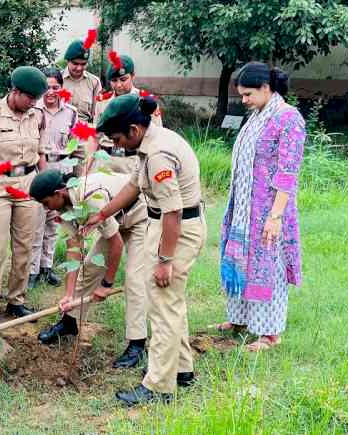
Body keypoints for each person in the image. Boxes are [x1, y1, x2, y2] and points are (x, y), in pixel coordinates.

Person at [83, 93, 206, 405]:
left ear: (133, 131)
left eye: (116, 138)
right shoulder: (148, 144)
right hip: (163, 224)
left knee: (162, 308)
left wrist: (165, 259)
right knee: (171, 302)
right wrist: (101, 213)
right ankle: (181, 369)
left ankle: (158, 387)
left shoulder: (158, 155)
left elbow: (173, 211)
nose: (116, 145)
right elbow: (133, 187)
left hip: (175, 230)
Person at [217, 62, 305, 352]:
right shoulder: (256, 115)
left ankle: (269, 332)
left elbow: (287, 173)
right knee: (241, 260)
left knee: (269, 266)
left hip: (268, 209)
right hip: (243, 207)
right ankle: (240, 319)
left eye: (247, 94)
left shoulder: (288, 118)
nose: (243, 100)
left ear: (266, 88)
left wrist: (275, 216)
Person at [30, 170, 150, 369]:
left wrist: (107, 284)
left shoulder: (90, 198)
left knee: (134, 279)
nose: (45, 208)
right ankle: (69, 323)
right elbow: (74, 248)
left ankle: (137, 344)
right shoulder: (64, 207)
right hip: (115, 219)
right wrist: (68, 294)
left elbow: (117, 244)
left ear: (59, 193)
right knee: (89, 269)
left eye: (45, 203)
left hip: (139, 216)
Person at [0, 66, 48, 329]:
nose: (33, 104)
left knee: (24, 246)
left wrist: (46, 184)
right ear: (15, 91)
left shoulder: (35, 115)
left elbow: (41, 154)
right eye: (29, 98)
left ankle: (16, 299)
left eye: (35, 100)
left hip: (27, 184)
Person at [28, 68, 77, 289]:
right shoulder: (34, 111)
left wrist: (72, 175)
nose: (51, 92)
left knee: (54, 223)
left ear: (62, 88)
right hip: (40, 168)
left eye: (55, 87)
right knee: (37, 223)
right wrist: (43, 172)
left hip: (62, 168)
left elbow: (76, 146)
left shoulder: (71, 113)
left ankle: (47, 267)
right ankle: (32, 270)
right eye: (47, 87)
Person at [92, 51, 163, 175]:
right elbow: (95, 137)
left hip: (132, 161)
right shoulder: (102, 101)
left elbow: (156, 137)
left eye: (123, 79)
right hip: (106, 161)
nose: (119, 85)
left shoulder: (145, 101)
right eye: (114, 81)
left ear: (133, 76)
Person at [62, 32, 101, 123]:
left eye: (83, 64)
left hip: (84, 129)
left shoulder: (94, 82)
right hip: (61, 128)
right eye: (75, 63)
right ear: (68, 61)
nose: (79, 68)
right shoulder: (57, 80)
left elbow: (96, 114)